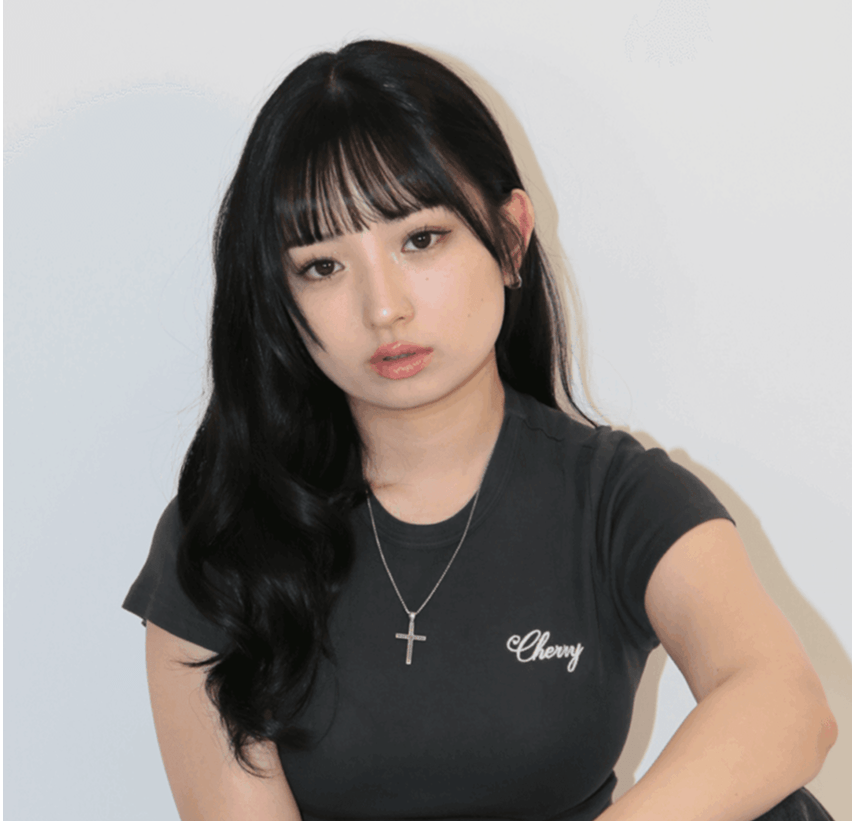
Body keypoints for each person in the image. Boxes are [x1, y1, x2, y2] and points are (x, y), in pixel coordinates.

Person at [123, 40, 837, 821]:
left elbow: (786, 704)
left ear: (509, 237)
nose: (382, 306)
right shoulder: (225, 535)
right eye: (322, 266)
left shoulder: (614, 498)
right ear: (279, 300)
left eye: (420, 239)